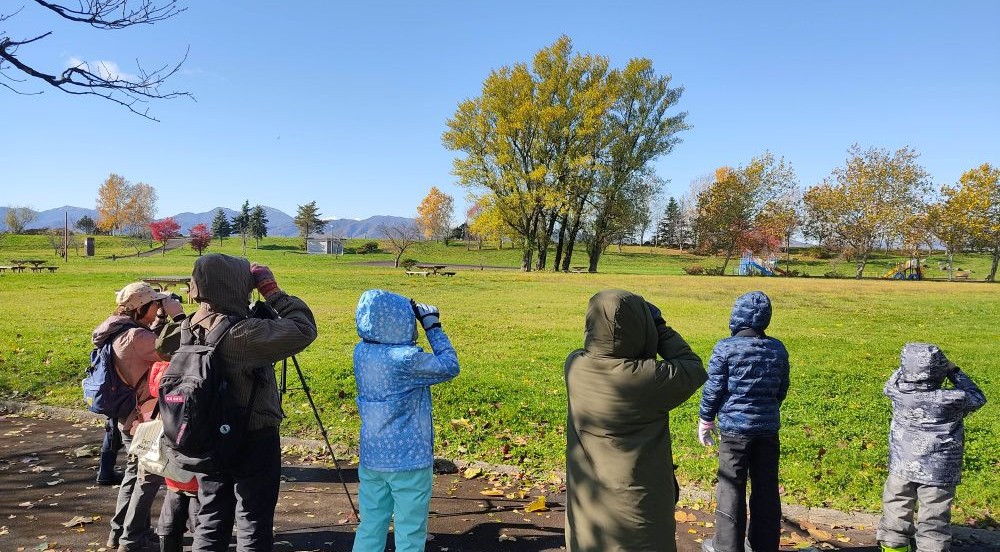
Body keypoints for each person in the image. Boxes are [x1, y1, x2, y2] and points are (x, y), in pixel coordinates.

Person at [156, 253, 317, 552]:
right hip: (252, 435)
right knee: (253, 520)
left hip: (203, 433)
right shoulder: (244, 332)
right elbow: (304, 329)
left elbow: (160, 345)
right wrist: (271, 291)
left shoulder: (189, 327)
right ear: (239, 284)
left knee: (211, 517)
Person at [565, 289, 706, 552]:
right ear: (641, 328)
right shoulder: (648, 379)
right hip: (637, 508)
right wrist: (660, 329)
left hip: (588, 507)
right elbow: (692, 367)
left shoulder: (574, 366)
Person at [351, 290, 460, 552]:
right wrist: (432, 326)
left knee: (371, 524)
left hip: (373, 457)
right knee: (410, 531)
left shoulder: (362, 352)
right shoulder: (406, 360)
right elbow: (449, 365)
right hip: (409, 460)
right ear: (399, 322)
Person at [95, 282, 184, 551]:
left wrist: (158, 318)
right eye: (154, 303)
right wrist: (178, 316)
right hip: (143, 418)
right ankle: (132, 539)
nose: (159, 306)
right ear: (141, 307)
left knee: (133, 476)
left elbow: (149, 342)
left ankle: (118, 532)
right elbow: (178, 347)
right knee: (148, 478)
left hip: (125, 416)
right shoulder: (135, 337)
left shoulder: (116, 329)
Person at [698, 291, 789, 552]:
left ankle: (727, 546)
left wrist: (706, 418)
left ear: (736, 317)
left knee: (731, 486)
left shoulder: (725, 347)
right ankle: (764, 545)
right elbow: (781, 388)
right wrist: (767, 410)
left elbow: (714, 388)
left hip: (734, 431)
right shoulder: (777, 348)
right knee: (766, 487)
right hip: (767, 429)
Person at [877, 343, 986, 552]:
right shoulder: (954, 399)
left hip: (902, 465)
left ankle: (893, 547)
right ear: (940, 371)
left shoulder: (897, 392)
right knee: (934, 517)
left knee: (896, 508)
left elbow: (892, 380)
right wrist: (954, 371)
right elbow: (978, 397)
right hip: (939, 472)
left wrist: (906, 368)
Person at [148, 360, 200, 552]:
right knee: (201, 515)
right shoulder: (201, 368)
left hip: (171, 449)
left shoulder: (162, 370)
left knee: (174, 500)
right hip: (198, 453)